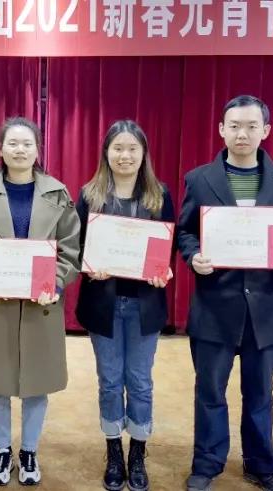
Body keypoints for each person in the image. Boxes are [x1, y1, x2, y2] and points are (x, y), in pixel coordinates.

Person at [177, 95, 273, 491]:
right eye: (234, 126)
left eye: (251, 126)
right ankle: (207, 463)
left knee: (260, 393)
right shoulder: (199, 179)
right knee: (210, 392)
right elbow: (185, 231)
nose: (242, 133)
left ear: (266, 130)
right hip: (214, 306)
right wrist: (194, 255)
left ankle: (261, 465)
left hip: (264, 310)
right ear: (221, 129)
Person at [0, 117, 81, 486]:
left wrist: (55, 282)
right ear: (0, 149)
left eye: (27, 143)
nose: (20, 149)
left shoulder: (58, 194)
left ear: (38, 149)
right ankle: (1, 450)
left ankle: (28, 450)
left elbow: (70, 251)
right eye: (12, 143)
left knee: (36, 384)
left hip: (41, 305)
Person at [74, 120, 175, 491]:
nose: (125, 155)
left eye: (133, 148)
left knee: (141, 381)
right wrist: (89, 266)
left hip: (145, 305)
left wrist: (164, 270)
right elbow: (76, 246)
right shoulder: (89, 196)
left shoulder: (159, 196)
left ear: (143, 153)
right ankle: (114, 449)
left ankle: (138, 453)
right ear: (106, 153)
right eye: (118, 148)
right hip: (104, 304)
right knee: (110, 381)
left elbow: (168, 249)